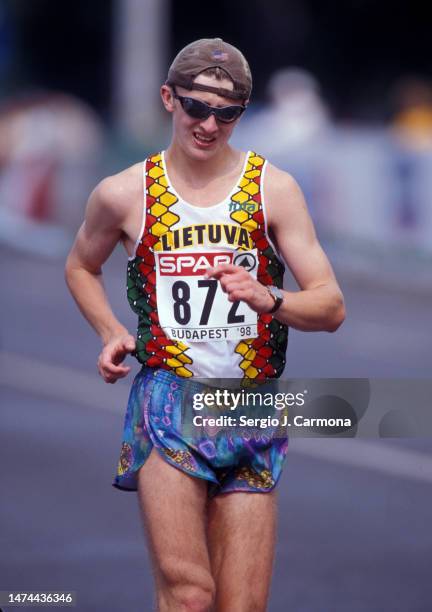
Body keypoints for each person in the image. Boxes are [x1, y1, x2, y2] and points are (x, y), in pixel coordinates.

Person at [65, 38, 345, 612]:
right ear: (169, 98)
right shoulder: (123, 194)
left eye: (228, 113)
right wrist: (109, 330)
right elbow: (80, 266)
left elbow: (330, 306)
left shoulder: (273, 188)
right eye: (197, 107)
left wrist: (270, 298)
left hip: (249, 404)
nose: (210, 125)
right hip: (169, 401)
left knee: (241, 605)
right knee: (190, 595)